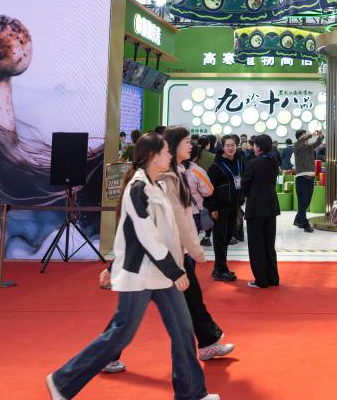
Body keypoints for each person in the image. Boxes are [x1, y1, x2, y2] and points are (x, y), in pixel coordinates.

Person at [46, 133, 219, 400]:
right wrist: (174, 270)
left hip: (160, 274)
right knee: (120, 334)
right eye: (165, 151)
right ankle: (62, 381)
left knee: (184, 330)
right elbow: (145, 234)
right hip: (141, 274)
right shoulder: (137, 188)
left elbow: (159, 232)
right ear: (152, 156)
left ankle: (192, 393)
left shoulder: (155, 185)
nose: (169, 155)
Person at [163, 127, 235, 359]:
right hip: (160, 253)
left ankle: (207, 343)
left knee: (193, 299)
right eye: (186, 142)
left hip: (177, 250)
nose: (191, 146)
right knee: (129, 315)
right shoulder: (163, 175)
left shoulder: (181, 171)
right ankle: (104, 355)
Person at [241, 133, 280, 288]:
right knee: (269, 245)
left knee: (256, 245)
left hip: (256, 207)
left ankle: (261, 280)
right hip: (271, 207)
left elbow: (245, 186)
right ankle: (273, 278)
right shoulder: (273, 161)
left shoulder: (253, 163)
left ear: (258, 147)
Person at [205, 134, 243, 282]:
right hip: (220, 208)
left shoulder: (239, 161)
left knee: (227, 237)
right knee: (220, 238)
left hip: (234, 206)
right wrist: (212, 207)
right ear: (223, 146)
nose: (230, 148)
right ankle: (221, 270)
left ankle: (219, 267)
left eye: (233, 145)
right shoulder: (216, 165)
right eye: (227, 145)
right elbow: (209, 187)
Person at [292, 129, 322, 232]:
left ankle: (297, 219)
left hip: (311, 177)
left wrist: (320, 136)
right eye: (303, 135)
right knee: (302, 201)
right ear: (299, 137)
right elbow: (302, 140)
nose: (306, 137)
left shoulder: (310, 147)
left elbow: (318, 142)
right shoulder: (297, 146)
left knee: (307, 201)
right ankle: (305, 224)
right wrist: (311, 134)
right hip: (301, 177)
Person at [185, 144, 214, 247]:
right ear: (196, 156)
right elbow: (208, 191)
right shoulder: (197, 171)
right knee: (192, 243)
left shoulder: (173, 169)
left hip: (175, 211)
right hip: (194, 211)